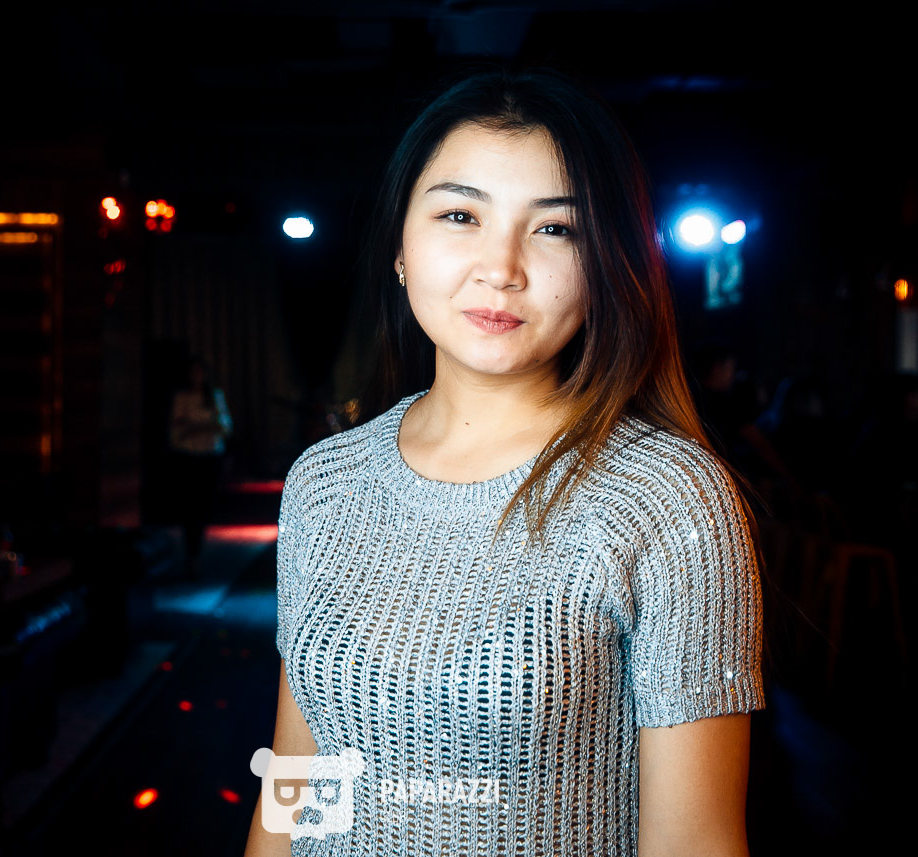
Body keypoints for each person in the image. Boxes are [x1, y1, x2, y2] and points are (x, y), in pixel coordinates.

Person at [245, 65, 765, 856]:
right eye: (459, 215)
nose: (501, 267)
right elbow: (302, 774)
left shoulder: (666, 496)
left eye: (555, 229)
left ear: (603, 265)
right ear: (399, 247)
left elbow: (695, 841)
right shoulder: (324, 481)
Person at [168, 356, 234, 577]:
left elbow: (224, 426)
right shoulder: (182, 398)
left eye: (200, 372)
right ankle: (191, 552)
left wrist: (197, 426)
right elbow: (178, 427)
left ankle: (196, 551)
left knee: (203, 505)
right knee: (190, 505)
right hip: (188, 456)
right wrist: (204, 426)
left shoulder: (215, 396)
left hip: (210, 455)